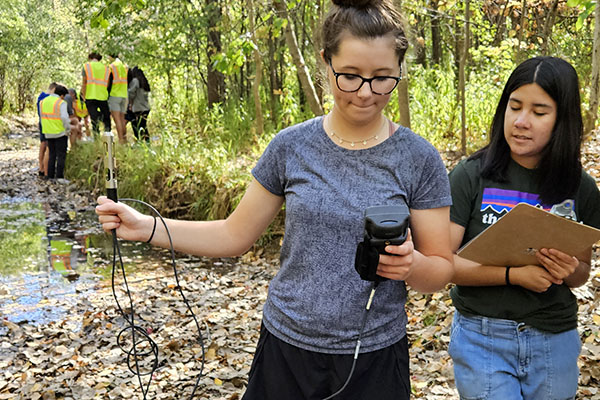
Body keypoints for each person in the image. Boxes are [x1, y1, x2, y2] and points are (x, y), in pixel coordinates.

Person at [97, 1, 453, 398]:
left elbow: (439, 271)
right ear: (325, 62)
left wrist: (411, 264)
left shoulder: (419, 158)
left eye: (382, 77)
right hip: (287, 350)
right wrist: (144, 227)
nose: (366, 92)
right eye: (350, 76)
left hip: (374, 357)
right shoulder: (291, 147)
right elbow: (234, 235)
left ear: (399, 70)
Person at [447, 56, 600, 400]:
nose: (521, 121)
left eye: (539, 112)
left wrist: (570, 269)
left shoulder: (581, 188)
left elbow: (581, 273)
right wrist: (513, 275)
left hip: (553, 337)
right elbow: (445, 264)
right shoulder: (471, 175)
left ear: (563, 120)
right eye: (514, 107)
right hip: (482, 335)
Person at [39, 84, 70, 181]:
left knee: (52, 154)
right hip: (60, 132)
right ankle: (60, 177)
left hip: (48, 132)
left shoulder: (42, 102)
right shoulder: (61, 103)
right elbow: (64, 118)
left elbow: (41, 116)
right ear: (62, 95)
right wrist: (67, 129)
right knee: (61, 155)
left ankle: (50, 176)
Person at [81, 52, 111, 136]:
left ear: (90, 58)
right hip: (103, 96)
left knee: (94, 119)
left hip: (90, 96)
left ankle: (96, 138)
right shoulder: (106, 68)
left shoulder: (86, 66)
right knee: (106, 118)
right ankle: (108, 137)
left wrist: (83, 95)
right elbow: (107, 84)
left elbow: (84, 83)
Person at [36, 82, 57, 178]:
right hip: (49, 124)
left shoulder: (40, 97)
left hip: (42, 122)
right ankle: (46, 171)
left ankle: (41, 168)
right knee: (48, 147)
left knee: (43, 144)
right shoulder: (48, 98)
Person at [107, 53, 129, 144]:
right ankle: (124, 139)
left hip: (115, 94)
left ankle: (120, 141)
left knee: (117, 120)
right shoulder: (124, 66)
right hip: (124, 94)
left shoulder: (111, 67)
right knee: (122, 118)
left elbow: (108, 82)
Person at [127, 66, 151, 142]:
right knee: (143, 126)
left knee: (136, 126)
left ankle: (139, 141)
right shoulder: (144, 82)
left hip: (138, 108)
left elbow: (131, 93)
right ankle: (147, 142)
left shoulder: (135, 81)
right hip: (146, 108)